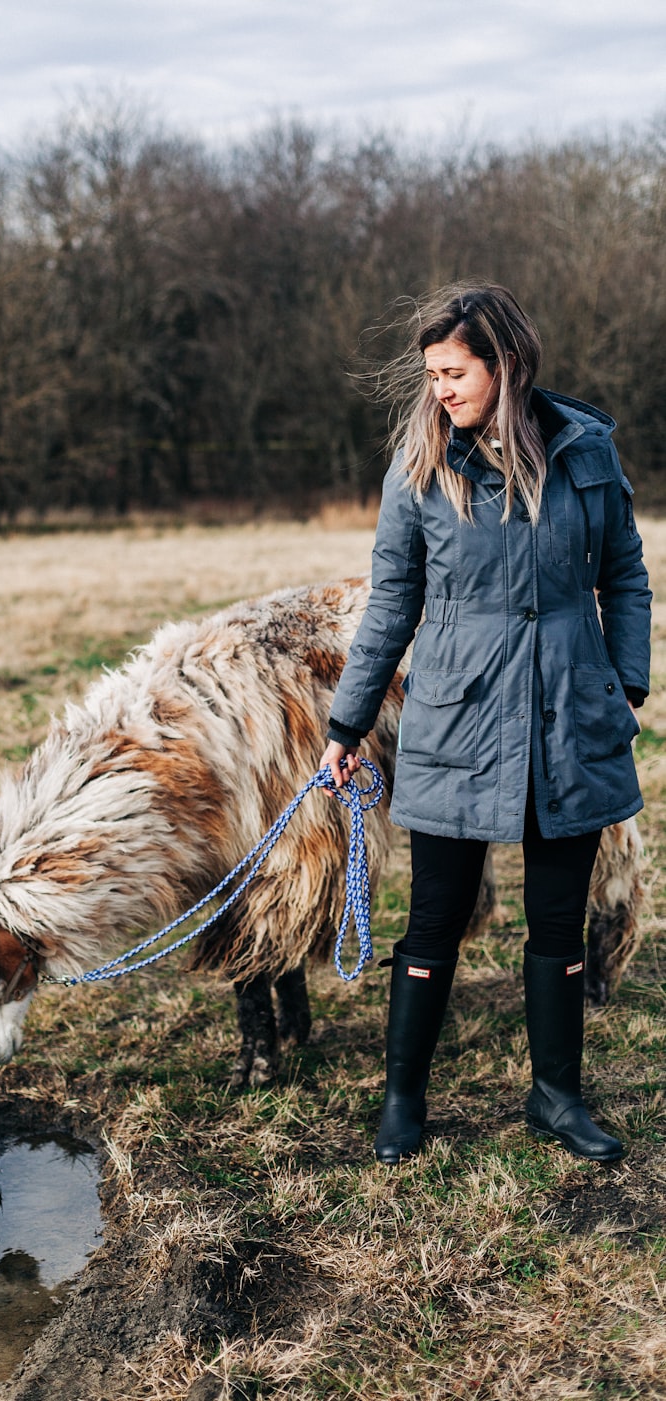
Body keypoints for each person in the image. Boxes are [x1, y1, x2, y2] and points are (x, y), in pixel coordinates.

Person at [321, 283, 651, 1166]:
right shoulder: (420, 471)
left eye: (455, 371)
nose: (442, 390)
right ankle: (403, 1097)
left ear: (504, 362)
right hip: (457, 725)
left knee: (556, 917)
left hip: (570, 719)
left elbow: (624, 573)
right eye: (431, 374)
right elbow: (392, 603)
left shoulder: (586, 454)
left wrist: (627, 681)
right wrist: (345, 725)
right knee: (435, 918)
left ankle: (557, 1098)